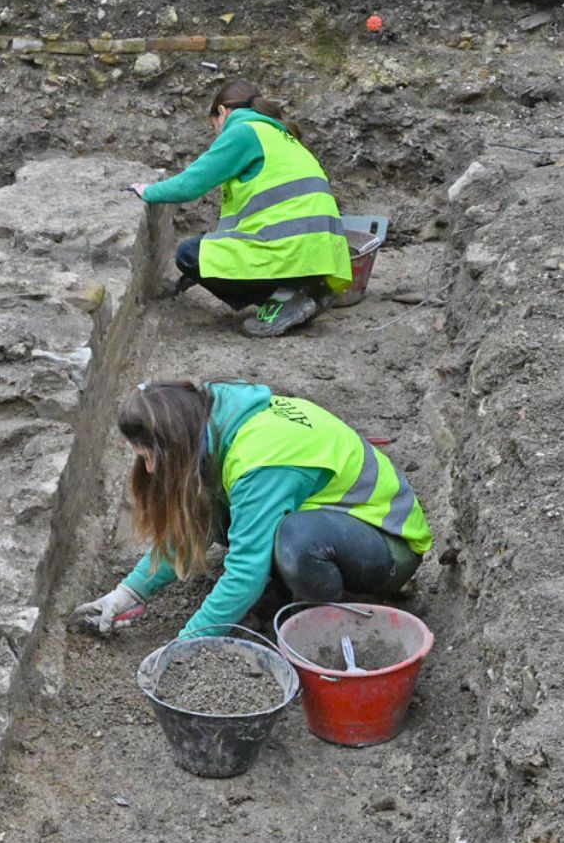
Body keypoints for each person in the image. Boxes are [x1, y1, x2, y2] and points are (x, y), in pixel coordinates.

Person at [73, 380, 431, 639]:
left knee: (298, 540)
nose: (150, 470)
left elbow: (246, 572)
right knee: (219, 508)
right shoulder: (215, 420)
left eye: (151, 457)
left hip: (387, 545)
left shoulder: (259, 462)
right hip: (338, 524)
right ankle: (282, 590)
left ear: (177, 441)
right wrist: (128, 593)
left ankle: (316, 629)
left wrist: (187, 643)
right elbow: (195, 523)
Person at [126, 80, 353, 337]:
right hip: (320, 256)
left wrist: (148, 191)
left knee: (189, 254)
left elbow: (190, 185)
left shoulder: (243, 132)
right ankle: (309, 291)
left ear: (222, 112)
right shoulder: (282, 136)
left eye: (214, 126)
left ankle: (287, 300)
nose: (217, 134)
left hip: (290, 252)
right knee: (207, 251)